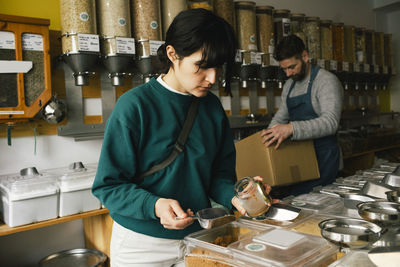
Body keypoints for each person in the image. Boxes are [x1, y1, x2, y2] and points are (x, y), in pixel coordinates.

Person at [92, 8, 273, 267]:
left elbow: (219, 177)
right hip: (141, 246)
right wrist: (154, 206)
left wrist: (238, 197)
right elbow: (107, 187)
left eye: (217, 68)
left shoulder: (212, 108)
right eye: (201, 66)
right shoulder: (134, 106)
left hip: (200, 239)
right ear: (172, 54)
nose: (212, 78)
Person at [260, 34, 343, 196]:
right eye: (284, 69)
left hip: (325, 159)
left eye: (292, 67)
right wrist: (268, 137)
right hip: (302, 158)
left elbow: (331, 122)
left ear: (305, 56)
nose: (288, 73)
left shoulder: (326, 81)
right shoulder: (289, 85)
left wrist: (291, 129)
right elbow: (281, 117)